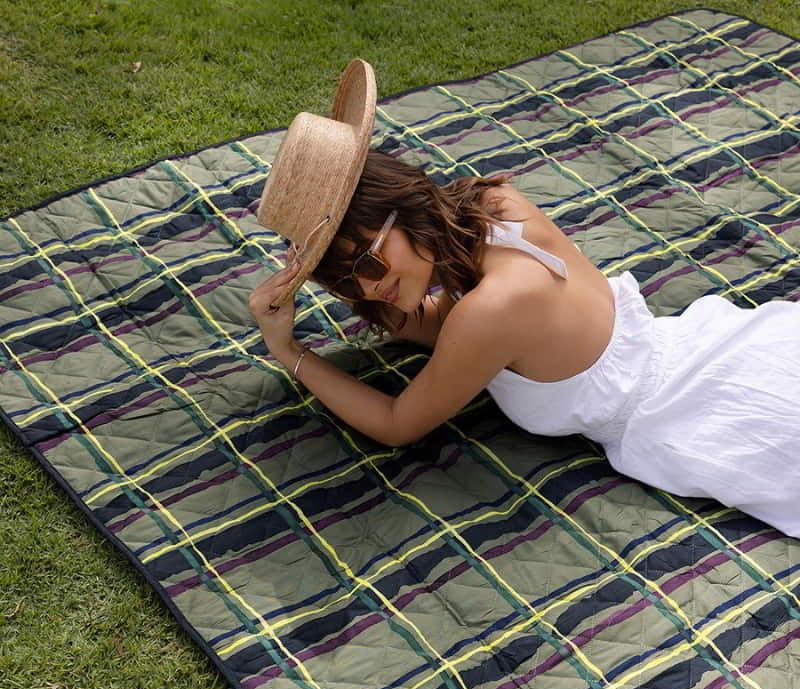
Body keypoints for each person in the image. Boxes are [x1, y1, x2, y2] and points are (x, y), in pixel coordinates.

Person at [249, 59, 800, 537]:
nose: (368, 289)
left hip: (685, 414)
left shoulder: (490, 311)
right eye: (347, 282)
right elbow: (430, 323)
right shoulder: (493, 204)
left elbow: (398, 424)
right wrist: (355, 276)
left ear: (399, 205)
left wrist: (289, 351)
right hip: (696, 351)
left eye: (368, 261)